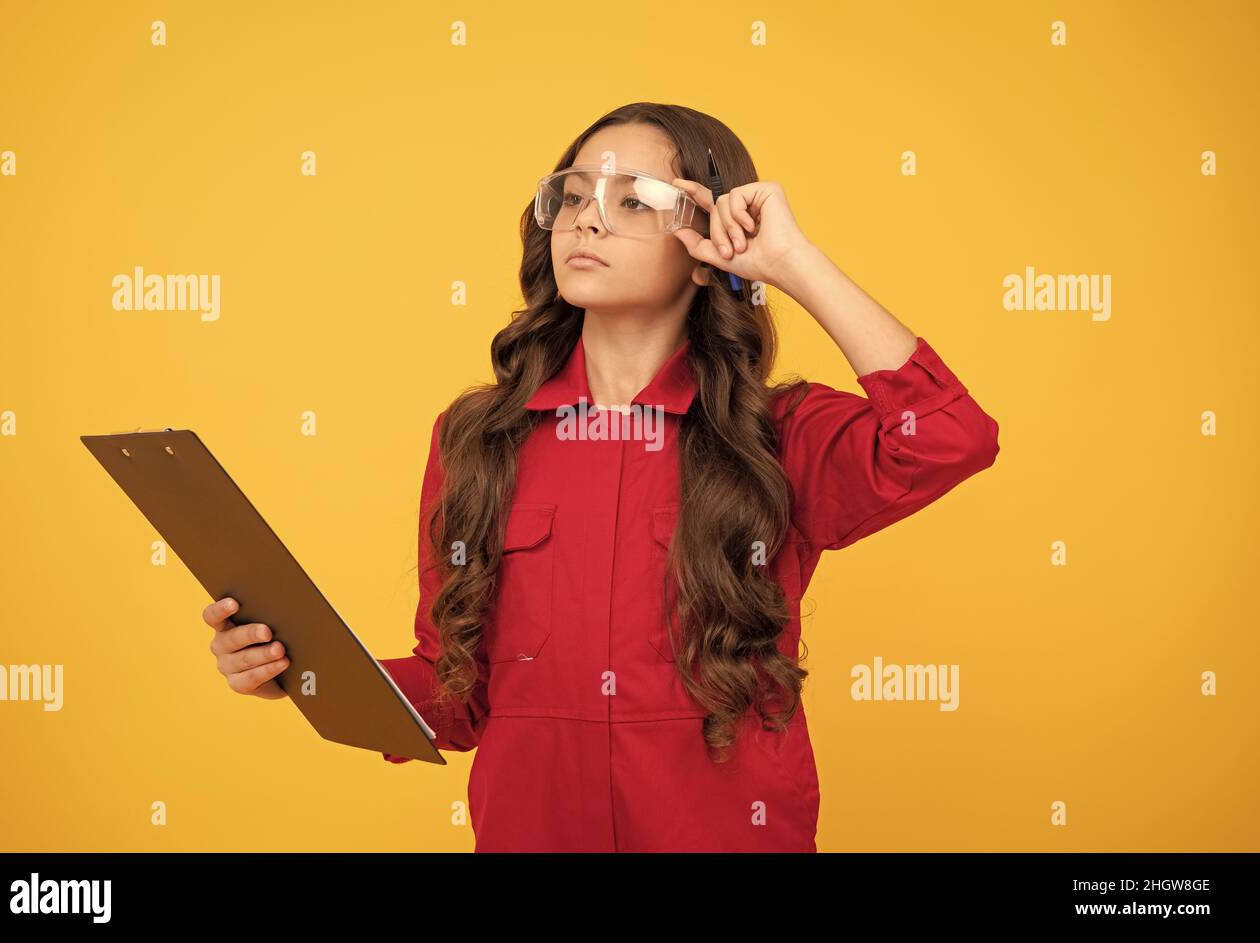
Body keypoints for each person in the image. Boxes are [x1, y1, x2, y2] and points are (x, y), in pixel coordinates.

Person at [203, 101, 1000, 852]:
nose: (586, 216)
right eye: (574, 194)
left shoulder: (779, 434)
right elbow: (459, 693)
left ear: (706, 243)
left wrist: (791, 262)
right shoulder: (477, 439)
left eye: (633, 200)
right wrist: (299, 671)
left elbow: (947, 437)